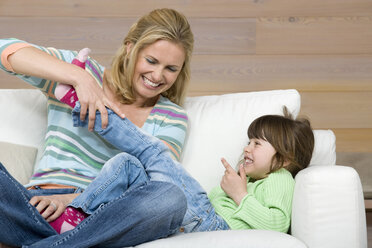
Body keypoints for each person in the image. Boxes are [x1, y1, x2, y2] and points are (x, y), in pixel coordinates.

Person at [0, 8, 193, 247]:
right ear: (130, 47)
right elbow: (5, 49)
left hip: (100, 216)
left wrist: (78, 201)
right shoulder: (83, 72)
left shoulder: (171, 117)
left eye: (171, 68)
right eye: (151, 61)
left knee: (170, 199)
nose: (157, 75)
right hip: (33, 206)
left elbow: (156, 180)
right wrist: (79, 79)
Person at [64, 104, 314, 236]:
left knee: (155, 153)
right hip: (201, 218)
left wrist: (239, 194)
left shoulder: (279, 179)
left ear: (282, 160)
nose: (247, 149)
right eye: (248, 141)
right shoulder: (250, 179)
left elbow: (276, 225)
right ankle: (77, 214)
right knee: (127, 163)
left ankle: (95, 114)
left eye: (257, 144)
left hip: (214, 224)